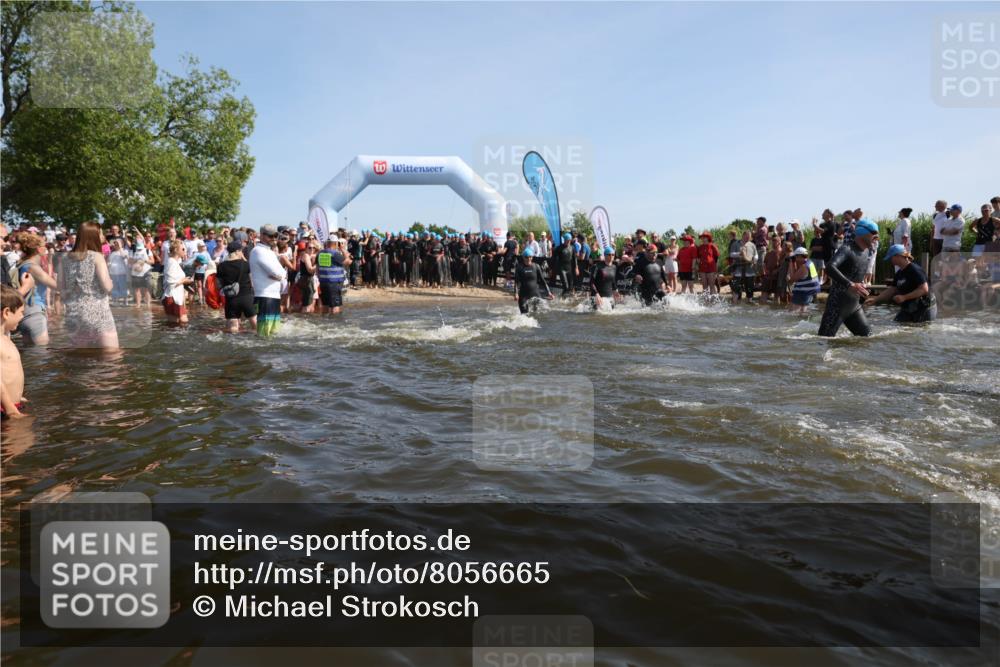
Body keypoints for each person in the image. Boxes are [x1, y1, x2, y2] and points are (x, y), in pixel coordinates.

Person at [57, 221, 118, 348]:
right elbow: (107, 287)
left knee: (81, 359)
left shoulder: (64, 258)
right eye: (100, 233)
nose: (103, 236)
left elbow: (60, 287)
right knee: (111, 358)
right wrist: (111, 282)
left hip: (75, 314)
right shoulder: (97, 256)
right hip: (98, 314)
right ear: (93, 236)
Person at [818, 218, 878, 337]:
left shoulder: (866, 252)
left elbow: (855, 275)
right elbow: (830, 267)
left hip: (854, 306)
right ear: (862, 232)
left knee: (868, 339)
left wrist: (862, 289)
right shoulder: (847, 249)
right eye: (874, 233)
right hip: (837, 306)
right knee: (824, 341)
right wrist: (849, 284)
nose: (876, 237)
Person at [865, 244, 937, 323]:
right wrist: (875, 300)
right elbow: (892, 290)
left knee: (918, 329)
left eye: (891, 257)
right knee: (897, 323)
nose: (890, 260)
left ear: (898, 256)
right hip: (910, 307)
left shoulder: (915, 270)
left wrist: (904, 297)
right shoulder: (899, 273)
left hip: (924, 307)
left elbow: (924, 289)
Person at [13, 232, 57, 346]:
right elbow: (54, 285)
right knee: (41, 354)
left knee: (30, 353)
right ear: (38, 249)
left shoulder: (22, 264)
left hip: (24, 312)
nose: (46, 248)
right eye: (44, 246)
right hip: (35, 312)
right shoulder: (33, 266)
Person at [249, 225, 286, 336]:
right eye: (271, 236)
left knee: (274, 334)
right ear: (262, 235)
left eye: (276, 235)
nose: (274, 238)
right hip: (264, 297)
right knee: (264, 335)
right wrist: (280, 275)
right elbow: (277, 273)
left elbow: (283, 274)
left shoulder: (269, 252)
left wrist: (280, 275)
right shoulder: (258, 251)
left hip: (274, 296)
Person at [215, 240, 255, 333]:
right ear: (237, 251)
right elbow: (252, 281)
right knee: (255, 324)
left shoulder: (221, 266)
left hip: (231, 299)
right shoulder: (245, 264)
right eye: (241, 251)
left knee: (232, 328)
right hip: (247, 297)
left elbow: (217, 284)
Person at [1, 285, 27, 419]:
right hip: (5, 409)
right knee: (20, 438)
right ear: (6, 313)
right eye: (21, 312)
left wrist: (17, 395)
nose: (23, 316)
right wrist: (9, 408)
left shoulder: (5, 338)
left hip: (11, 404)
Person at [162, 240, 193, 325]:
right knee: (182, 323)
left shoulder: (173, 262)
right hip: (172, 298)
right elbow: (170, 281)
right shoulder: (171, 262)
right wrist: (185, 280)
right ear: (176, 250)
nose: (185, 251)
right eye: (183, 249)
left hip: (174, 298)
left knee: (175, 326)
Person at [513, 248, 552, 313]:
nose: (528, 259)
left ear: (532, 257)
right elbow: (516, 282)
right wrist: (516, 293)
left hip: (535, 294)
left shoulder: (536, 266)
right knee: (524, 314)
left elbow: (542, 280)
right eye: (526, 257)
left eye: (530, 257)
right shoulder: (519, 268)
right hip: (524, 295)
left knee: (536, 314)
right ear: (523, 257)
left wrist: (549, 292)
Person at [317, 239, 349, 315]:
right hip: (334, 283)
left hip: (323, 282)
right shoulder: (335, 253)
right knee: (335, 306)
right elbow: (347, 262)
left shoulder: (320, 253)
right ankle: (334, 323)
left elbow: (317, 266)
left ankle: (324, 321)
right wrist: (343, 250)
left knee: (325, 305)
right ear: (335, 244)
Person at [789, 247, 821, 314]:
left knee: (792, 312)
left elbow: (792, 280)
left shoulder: (804, 267)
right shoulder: (810, 263)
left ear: (800, 256)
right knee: (802, 312)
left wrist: (791, 263)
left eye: (796, 256)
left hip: (804, 292)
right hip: (809, 291)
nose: (795, 259)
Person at [732, 231, 757, 303]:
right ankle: (735, 303)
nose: (747, 239)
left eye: (749, 237)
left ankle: (749, 304)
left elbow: (756, 254)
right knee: (736, 288)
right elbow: (731, 254)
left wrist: (755, 259)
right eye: (746, 237)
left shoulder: (752, 245)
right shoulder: (735, 244)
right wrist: (740, 254)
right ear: (743, 236)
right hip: (738, 269)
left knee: (749, 288)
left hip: (749, 269)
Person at [108, 239, 130, 305]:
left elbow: (123, 256)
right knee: (114, 288)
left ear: (122, 244)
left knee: (123, 287)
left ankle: (125, 301)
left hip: (122, 273)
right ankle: (115, 301)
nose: (116, 245)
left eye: (117, 244)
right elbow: (109, 262)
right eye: (115, 244)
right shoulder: (112, 253)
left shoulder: (125, 251)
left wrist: (120, 247)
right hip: (113, 273)